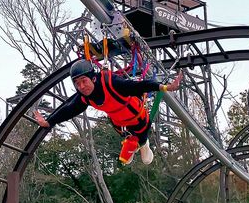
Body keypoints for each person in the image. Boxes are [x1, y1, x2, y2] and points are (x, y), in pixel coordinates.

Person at [33, 59, 183, 165]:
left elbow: (138, 86)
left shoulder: (111, 83)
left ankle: (143, 144)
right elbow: (69, 109)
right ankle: (133, 145)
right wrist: (49, 121)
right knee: (127, 150)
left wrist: (165, 87)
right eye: (77, 84)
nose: (82, 87)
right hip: (120, 126)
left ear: (93, 78)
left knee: (144, 155)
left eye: (84, 81)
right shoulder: (85, 97)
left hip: (138, 120)